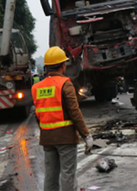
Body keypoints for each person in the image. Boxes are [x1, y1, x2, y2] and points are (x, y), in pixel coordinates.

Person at [32, 46, 93, 191]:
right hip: (65, 138)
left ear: (46, 67)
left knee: (51, 176)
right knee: (67, 175)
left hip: (47, 138)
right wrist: (86, 135)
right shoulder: (65, 84)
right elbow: (75, 112)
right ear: (63, 66)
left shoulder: (37, 87)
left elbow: (38, 115)